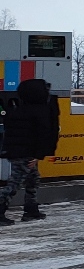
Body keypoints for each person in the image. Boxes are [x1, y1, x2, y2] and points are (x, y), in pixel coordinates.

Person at [0, 78, 61, 224]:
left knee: (33, 179)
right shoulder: (40, 111)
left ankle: (31, 209)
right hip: (26, 153)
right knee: (15, 183)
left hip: (19, 151)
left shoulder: (22, 108)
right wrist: (37, 155)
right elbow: (44, 134)